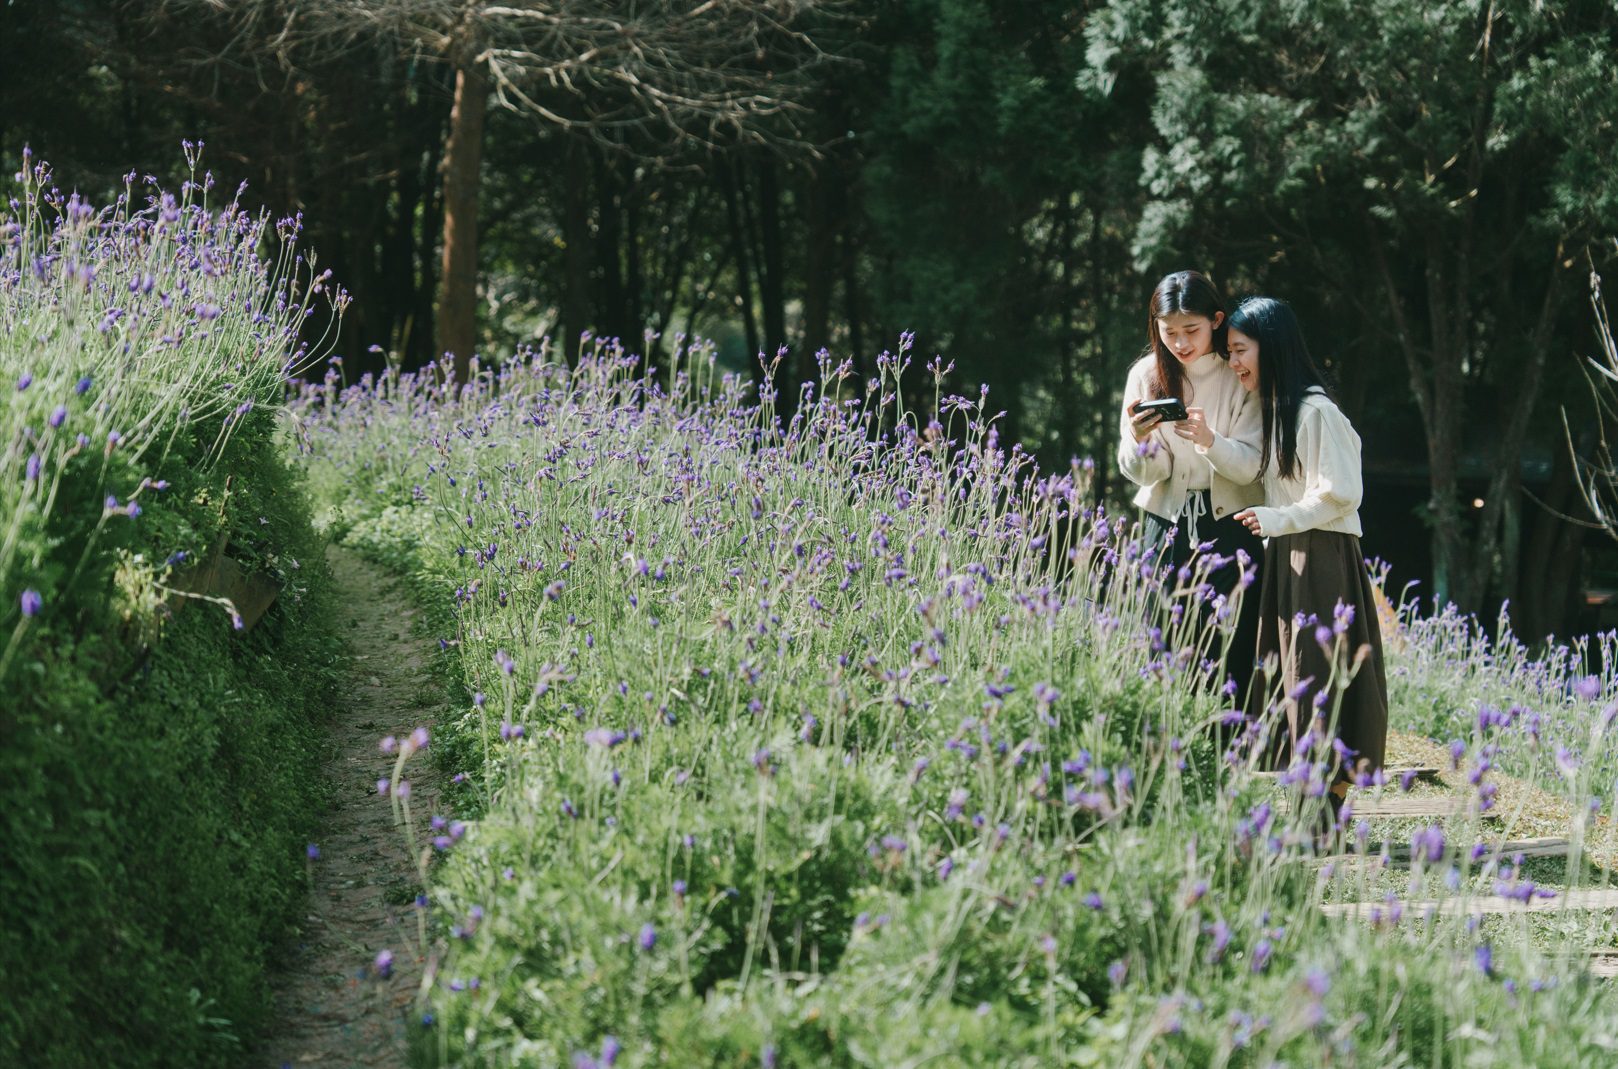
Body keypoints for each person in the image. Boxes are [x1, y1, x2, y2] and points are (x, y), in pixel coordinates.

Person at [1228, 296, 1388, 837]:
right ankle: (1310, 812)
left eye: (1239, 350)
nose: (1234, 363)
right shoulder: (1278, 410)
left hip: (1319, 554)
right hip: (1290, 553)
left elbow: (1341, 493)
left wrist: (1278, 517)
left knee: (1315, 678)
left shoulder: (1317, 411)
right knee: (1293, 680)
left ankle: (1323, 815)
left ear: (1270, 348)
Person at [1117, 270, 1265, 700]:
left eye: (1191, 330)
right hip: (1165, 523)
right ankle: (1167, 746)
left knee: (1230, 641)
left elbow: (1252, 467)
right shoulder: (1146, 374)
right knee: (1162, 638)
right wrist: (1141, 440)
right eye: (1169, 332)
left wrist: (1209, 442)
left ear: (1217, 320)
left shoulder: (1238, 369)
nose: (1180, 343)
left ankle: (1231, 746)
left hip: (1231, 523)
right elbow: (1147, 473)